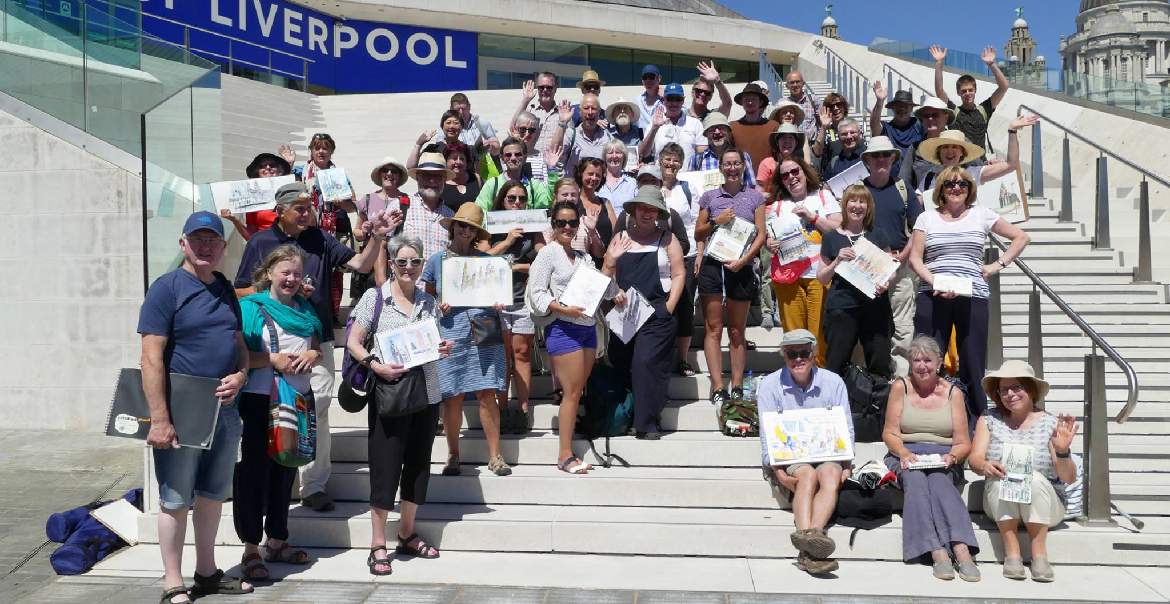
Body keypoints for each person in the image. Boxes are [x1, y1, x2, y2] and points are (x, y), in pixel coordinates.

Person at [235, 183, 394, 513]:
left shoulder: (322, 238)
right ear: (280, 211)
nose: (307, 212)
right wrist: (280, 286)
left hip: (315, 339)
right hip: (268, 338)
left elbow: (362, 266)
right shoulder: (260, 242)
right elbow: (239, 291)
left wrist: (376, 238)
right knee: (268, 409)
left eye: (310, 206)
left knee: (318, 405)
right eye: (300, 207)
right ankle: (276, 477)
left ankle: (314, 484)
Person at [139, 211, 251, 603]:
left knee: (212, 494)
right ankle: (173, 582)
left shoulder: (222, 286)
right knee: (175, 499)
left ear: (222, 247)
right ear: (183, 244)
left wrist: (241, 375)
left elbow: (238, 345)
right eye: (197, 239)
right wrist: (160, 419)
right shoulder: (166, 288)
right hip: (182, 410)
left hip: (225, 409)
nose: (206, 246)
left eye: (213, 240)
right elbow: (151, 357)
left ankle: (206, 573)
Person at [347, 234, 455, 577]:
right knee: (385, 466)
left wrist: (442, 348)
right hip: (389, 392)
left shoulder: (429, 302)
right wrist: (375, 365)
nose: (409, 267)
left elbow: (430, 344)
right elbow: (353, 342)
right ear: (391, 264)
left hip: (426, 391)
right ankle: (378, 541)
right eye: (402, 261)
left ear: (423, 265)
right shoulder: (374, 298)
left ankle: (406, 533)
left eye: (415, 261)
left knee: (419, 464)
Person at [909, 166, 1030, 422]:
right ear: (941, 189)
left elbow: (1020, 237)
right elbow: (915, 260)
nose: (956, 188)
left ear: (970, 189)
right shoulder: (926, 218)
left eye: (962, 184)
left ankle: (977, 418)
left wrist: (997, 265)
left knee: (972, 359)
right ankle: (926, 415)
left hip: (973, 295)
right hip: (933, 295)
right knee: (928, 358)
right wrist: (936, 282)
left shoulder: (981, 214)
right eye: (950, 184)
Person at [233, 245, 323, 582]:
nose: (291, 278)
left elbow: (316, 348)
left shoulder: (304, 309)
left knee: (286, 470)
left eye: (297, 273)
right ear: (268, 273)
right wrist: (271, 360)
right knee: (251, 474)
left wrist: (314, 356)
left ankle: (277, 539)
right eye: (285, 272)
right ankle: (250, 548)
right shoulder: (249, 308)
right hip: (258, 402)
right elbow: (236, 356)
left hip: (297, 402)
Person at [528, 202, 625, 473]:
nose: (567, 227)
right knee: (570, 394)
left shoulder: (583, 257)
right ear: (553, 225)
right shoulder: (548, 254)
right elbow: (536, 294)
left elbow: (603, 288)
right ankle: (564, 455)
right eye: (561, 223)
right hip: (562, 328)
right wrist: (563, 307)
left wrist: (611, 261)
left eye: (572, 223)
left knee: (576, 392)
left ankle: (568, 451)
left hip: (587, 330)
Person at [421, 203, 511, 477]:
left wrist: (499, 303)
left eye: (471, 227)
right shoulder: (437, 260)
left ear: (475, 233)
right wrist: (439, 306)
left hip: (484, 330)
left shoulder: (487, 260)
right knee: (452, 397)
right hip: (450, 333)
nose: (465, 230)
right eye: (461, 224)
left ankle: (496, 456)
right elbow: (426, 301)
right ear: (453, 227)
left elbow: (500, 294)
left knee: (487, 395)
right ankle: (452, 455)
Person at [970, 360, 1079, 583]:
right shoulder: (989, 419)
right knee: (1004, 477)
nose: (1010, 394)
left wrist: (1063, 451)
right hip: (1000, 500)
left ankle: (1039, 555)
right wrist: (985, 466)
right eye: (1004, 389)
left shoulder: (1050, 423)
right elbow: (975, 459)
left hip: (1045, 504)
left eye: (1017, 387)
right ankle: (1012, 553)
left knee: (1035, 479)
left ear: (1031, 389)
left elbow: (1068, 477)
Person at [882, 336, 979, 581]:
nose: (922, 366)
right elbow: (890, 433)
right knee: (914, 479)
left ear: (938, 363)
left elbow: (963, 442)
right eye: (916, 360)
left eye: (927, 360)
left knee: (939, 480)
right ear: (910, 363)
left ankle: (961, 547)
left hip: (944, 456)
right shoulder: (900, 387)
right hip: (905, 452)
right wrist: (903, 453)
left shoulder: (953, 392)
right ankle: (936, 551)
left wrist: (953, 457)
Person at [758, 329, 854, 575]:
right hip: (790, 459)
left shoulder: (834, 382)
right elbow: (768, 436)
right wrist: (778, 471)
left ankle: (808, 540)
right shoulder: (769, 386)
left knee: (831, 473)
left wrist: (847, 464)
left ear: (813, 353)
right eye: (792, 354)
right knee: (807, 475)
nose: (798, 359)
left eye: (804, 353)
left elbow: (846, 428)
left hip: (827, 455)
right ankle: (812, 546)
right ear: (784, 356)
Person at [602, 186, 686, 439]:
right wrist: (613, 290)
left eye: (652, 209)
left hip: (657, 313)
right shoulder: (620, 238)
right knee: (621, 362)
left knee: (645, 362)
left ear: (659, 213)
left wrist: (669, 306)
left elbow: (679, 273)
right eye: (642, 208)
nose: (647, 213)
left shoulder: (668, 239)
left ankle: (647, 422)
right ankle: (627, 415)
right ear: (635, 211)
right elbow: (606, 274)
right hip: (624, 314)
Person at [694, 148, 767, 405]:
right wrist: (717, 221)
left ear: (744, 167)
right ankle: (717, 386)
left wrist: (744, 261)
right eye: (728, 164)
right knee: (713, 329)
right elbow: (698, 233)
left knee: (736, 331)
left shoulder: (755, 198)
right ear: (721, 169)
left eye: (737, 163)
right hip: (714, 268)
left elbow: (761, 235)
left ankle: (736, 384)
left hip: (742, 267)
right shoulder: (710, 197)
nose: (733, 168)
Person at [766, 156, 842, 369]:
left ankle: (820, 382)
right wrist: (769, 244)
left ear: (805, 172)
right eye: (785, 175)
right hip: (788, 279)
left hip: (819, 274)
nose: (791, 177)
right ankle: (797, 382)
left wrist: (813, 218)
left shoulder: (823, 196)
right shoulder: (778, 206)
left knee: (819, 334)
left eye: (795, 172)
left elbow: (838, 229)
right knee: (794, 336)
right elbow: (768, 237)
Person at [484, 181, 545, 434]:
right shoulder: (492, 226)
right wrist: (508, 241)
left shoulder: (533, 228)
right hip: (496, 300)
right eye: (512, 198)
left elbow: (544, 258)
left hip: (522, 299)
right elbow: (483, 259)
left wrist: (520, 268)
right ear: (502, 200)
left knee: (521, 353)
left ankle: (521, 408)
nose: (517, 203)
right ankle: (501, 407)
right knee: (501, 356)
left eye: (521, 198)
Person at [859, 137, 924, 378]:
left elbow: (917, 228)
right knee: (869, 325)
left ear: (893, 158)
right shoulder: (858, 191)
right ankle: (871, 379)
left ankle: (899, 379)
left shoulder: (902, 187)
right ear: (866, 160)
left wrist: (901, 257)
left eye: (886, 155)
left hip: (900, 264)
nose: (880, 159)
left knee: (903, 328)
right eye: (875, 155)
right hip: (867, 268)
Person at [817, 184, 894, 377]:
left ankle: (878, 405)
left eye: (862, 201)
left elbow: (890, 270)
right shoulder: (831, 238)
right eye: (853, 200)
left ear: (868, 207)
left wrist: (886, 283)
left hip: (875, 308)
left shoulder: (878, 234)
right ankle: (837, 405)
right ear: (845, 205)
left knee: (880, 364)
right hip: (842, 309)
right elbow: (821, 277)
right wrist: (837, 260)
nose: (857, 206)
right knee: (836, 364)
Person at [293, 132, 356, 325]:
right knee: (307, 269)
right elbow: (289, 196)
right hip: (308, 229)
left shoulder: (339, 175)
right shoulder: (299, 172)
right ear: (311, 150)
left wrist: (341, 203)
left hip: (335, 229)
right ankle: (305, 313)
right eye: (317, 147)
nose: (321, 151)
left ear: (331, 151)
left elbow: (353, 206)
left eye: (325, 148)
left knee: (335, 273)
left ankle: (333, 316)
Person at [374, 152, 456, 287]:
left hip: (439, 297)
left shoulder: (451, 216)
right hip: (404, 293)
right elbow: (381, 245)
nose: (431, 180)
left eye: (437, 176)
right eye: (426, 175)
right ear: (417, 177)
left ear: (444, 180)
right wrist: (381, 281)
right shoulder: (400, 206)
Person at [657, 144, 702, 377]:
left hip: (686, 253)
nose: (671, 164)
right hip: (655, 254)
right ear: (660, 161)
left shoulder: (688, 189)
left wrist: (699, 254)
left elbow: (697, 223)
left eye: (676, 160)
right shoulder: (651, 186)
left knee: (684, 305)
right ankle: (662, 355)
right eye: (667, 159)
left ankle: (682, 359)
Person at [916, 116, 1041, 199]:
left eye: (955, 147)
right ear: (939, 152)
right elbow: (915, 208)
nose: (950, 151)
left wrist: (1012, 131)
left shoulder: (973, 174)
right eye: (945, 147)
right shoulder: (927, 181)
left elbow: (1011, 165)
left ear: (962, 152)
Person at [931, 45, 1010, 152]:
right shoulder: (954, 112)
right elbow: (939, 91)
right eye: (964, 91)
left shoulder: (984, 110)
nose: (967, 93)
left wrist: (991, 64)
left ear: (975, 90)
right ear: (958, 93)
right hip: (958, 163)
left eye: (970, 90)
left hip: (979, 163)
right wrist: (939, 62)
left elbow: (1004, 87)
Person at [220, 150, 293, 241]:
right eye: (262, 166)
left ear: (279, 170)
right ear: (258, 172)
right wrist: (234, 220)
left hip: (292, 245)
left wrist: (290, 164)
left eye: (272, 164)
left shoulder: (291, 191)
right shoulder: (252, 197)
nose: (268, 167)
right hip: (266, 248)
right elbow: (251, 238)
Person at [476, 137, 553, 212]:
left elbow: (549, 201)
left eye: (518, 154)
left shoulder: (534, 185)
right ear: (502, 158)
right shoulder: (492, 184)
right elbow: (479, 211)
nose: (513, 158)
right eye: (508, 155)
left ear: (525, 157)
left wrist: (551, 168)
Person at [643, 82, 707, 170]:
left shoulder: (695, 124)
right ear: (663, 100)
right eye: (670, 99)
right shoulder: (654, 123)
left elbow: (702, 154)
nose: (674, 103)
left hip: (688, 178)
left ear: (683, 100)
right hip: (661, 178)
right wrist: (654, 129)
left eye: (677, 99)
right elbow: (643, 153)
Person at [897, 97, 956, 190]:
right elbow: (904, 181)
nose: (930, 119)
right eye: (926, 116)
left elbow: (979, 171)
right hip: (922, 202)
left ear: (946, 118)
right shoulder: (915, 148)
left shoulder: (960, 143)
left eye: (935, 115)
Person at [869, 84, 925, 175]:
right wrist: (879, 101)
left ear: (911, 108)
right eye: (898, 105)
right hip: (892, 183)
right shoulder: (886, 128)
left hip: (915, 183)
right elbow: (874, 125)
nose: (902, 108)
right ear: (892, 108)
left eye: (905, 105)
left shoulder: (920, 126)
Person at [690, 112, 757, 188]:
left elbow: (751, 188)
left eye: (721, 128)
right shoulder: (696, 160)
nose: (717, 132)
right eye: (712, 129)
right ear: (706, 134)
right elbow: (692, 188)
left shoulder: (743, 157)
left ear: (728, 132)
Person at [552, 93, 611, 178]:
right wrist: (562, 123)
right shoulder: (571, 135)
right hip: (576, 189)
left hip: (600, 189)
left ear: (599, 112)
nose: (590, 112)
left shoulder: (608, 138)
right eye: (586, 108)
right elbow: (554, 151)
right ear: (580, 111)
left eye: (594, 108)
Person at [729, 82, 778, 174]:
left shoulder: (773, 126)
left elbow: (778, 156)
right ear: (741, 102)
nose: (750, 102)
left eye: (754, 99)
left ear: (761, 102)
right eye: (746, 99)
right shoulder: (732, 127)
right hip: (741, 180)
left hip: (767, 180)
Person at [576, 157, 619, 261]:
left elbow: (616, 232)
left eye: (598, 175)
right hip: (580, 261)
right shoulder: (573, 202)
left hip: (604, 261)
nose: (594, 178)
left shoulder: (605, 203)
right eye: (590, 174)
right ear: (581, 174)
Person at [511, 72, 561, 156]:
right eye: (541, 87)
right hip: (532, 163)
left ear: (555, 89)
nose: (545, 90)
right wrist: (526, 100)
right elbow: (512, 129)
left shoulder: (563, 114)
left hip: (557, 166)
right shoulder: (530, 110)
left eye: (549, 87)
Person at [450, 92, 500, 166]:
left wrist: (489, 145)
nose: (461, 112)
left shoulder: (481, 123)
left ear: (469, 107)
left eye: (463, 109)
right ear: (451, 109)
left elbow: (497, 149)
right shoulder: (448, 128)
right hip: (460, 171)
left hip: (483, 171)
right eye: (457, 109)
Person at [757, 122, 809, 192]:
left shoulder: (801, 164)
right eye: (783, 137)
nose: (787, 141)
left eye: (791, 137)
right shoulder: (766, 164)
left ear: (796, 143)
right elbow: (759, 194)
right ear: (777, 142)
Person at [604, 98, 648, 171]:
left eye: (625, 108)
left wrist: (644, 164)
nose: (622, 111)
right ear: (613, 116)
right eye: (618, 109)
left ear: (632, 115)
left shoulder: (641, 133)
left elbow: (650, 158)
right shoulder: (606, 135)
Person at [439, 140, 482, 213]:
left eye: (462, 159)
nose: (458, 162)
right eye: (454, 158)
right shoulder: (440, 183)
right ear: (446, 161)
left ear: (466, 162)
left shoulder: (476, 179)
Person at [810, 92, 848, 170]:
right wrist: (824, 126)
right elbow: (817, 152)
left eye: (839, 104)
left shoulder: (855, 127)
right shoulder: (825, 131)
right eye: (831, 106)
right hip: (832, 175)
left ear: (844, 107)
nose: (835, 108)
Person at [512, 110, 551, 183]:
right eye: (523, 129)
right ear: (516, 130)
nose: (527, 133)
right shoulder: (509, 155)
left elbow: (546, 183)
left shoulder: (542, 157)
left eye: (531, 130)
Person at [598, 138, 637, 207]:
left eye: (618, 152)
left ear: (624, 157)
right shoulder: (597, 181)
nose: (614, 156)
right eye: (610, 153)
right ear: (605, 157)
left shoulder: (632, 183)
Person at [784, 70, 822, 140]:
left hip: (811, 146)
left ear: (803, 83)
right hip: (791, 146)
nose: (795, 85)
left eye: (797, 81)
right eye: (792, 83)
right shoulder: (783, 103)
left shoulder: (814, 100)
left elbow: (821, 122)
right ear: (787, 86)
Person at [636, 65, 664, 130]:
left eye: (651, 77)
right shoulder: (637, 100)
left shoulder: (668, 99)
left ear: (659, 78)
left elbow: (683, 111)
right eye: (645, 77)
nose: (648, 80)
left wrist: (666, 97)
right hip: (643, 139)